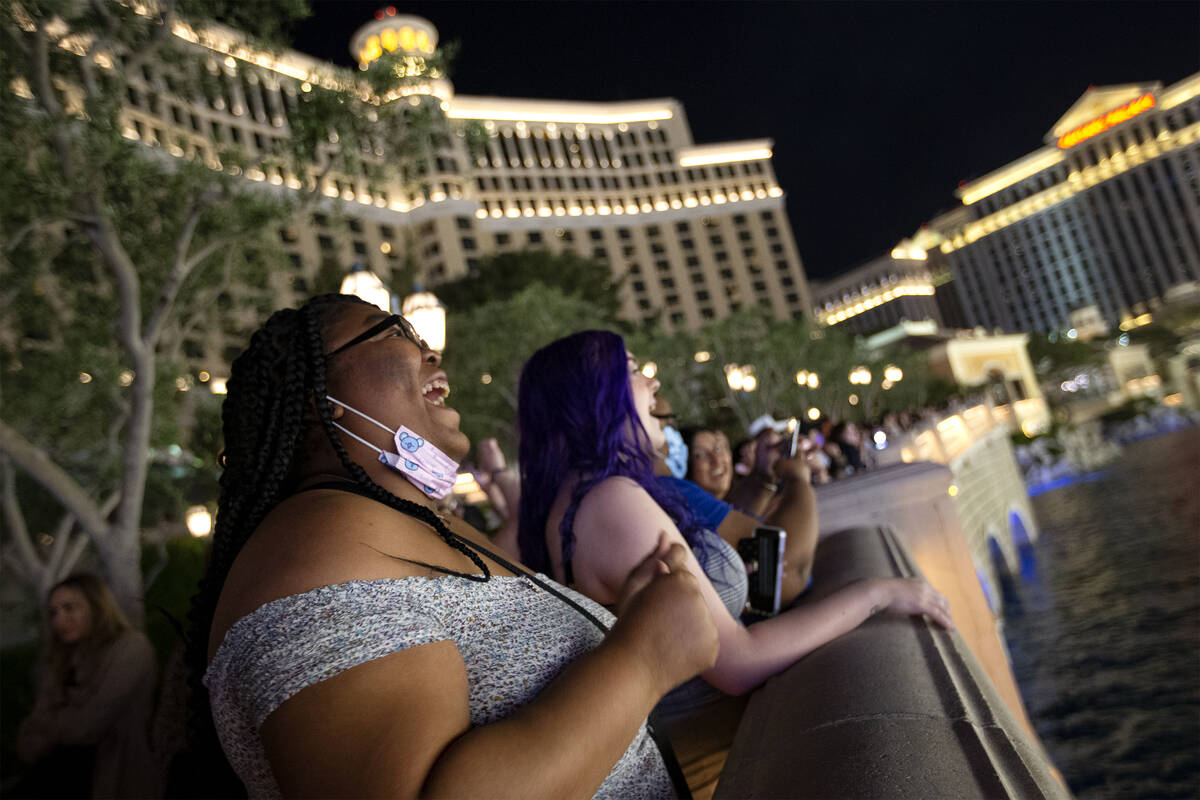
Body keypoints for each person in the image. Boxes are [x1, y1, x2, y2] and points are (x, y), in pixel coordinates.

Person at [186, 294, 717, 799]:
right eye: (393, 334)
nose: (431, 352)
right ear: (316, 402)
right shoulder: (309, 555)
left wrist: (627, 617)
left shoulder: (411, 524)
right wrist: (644, 658)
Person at [517, 330, 954, 799]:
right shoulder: (611, 503)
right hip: (707, 764)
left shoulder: (571, 503)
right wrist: (877, 593)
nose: (650, 382)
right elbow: (739, 663)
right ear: (594, 396)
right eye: (630, 369)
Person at [16, 573, 159, 799]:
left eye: (69, 608)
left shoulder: (131, 648)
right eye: (53, 613)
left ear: (95, 606)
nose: (59, 620)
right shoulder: (60, 659)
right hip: (62, 773)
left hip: (116, 774)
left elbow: (89, 726)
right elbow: (29, 735)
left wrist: (49, 725)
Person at [668, 424, 817, 607]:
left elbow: (736, 511)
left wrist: (765, 473)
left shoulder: (709, 502)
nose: (716, 459)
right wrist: (798, 478)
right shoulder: (680, 494)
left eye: (718, 447)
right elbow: (783, 568)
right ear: (682, 459)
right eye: (700, 454)